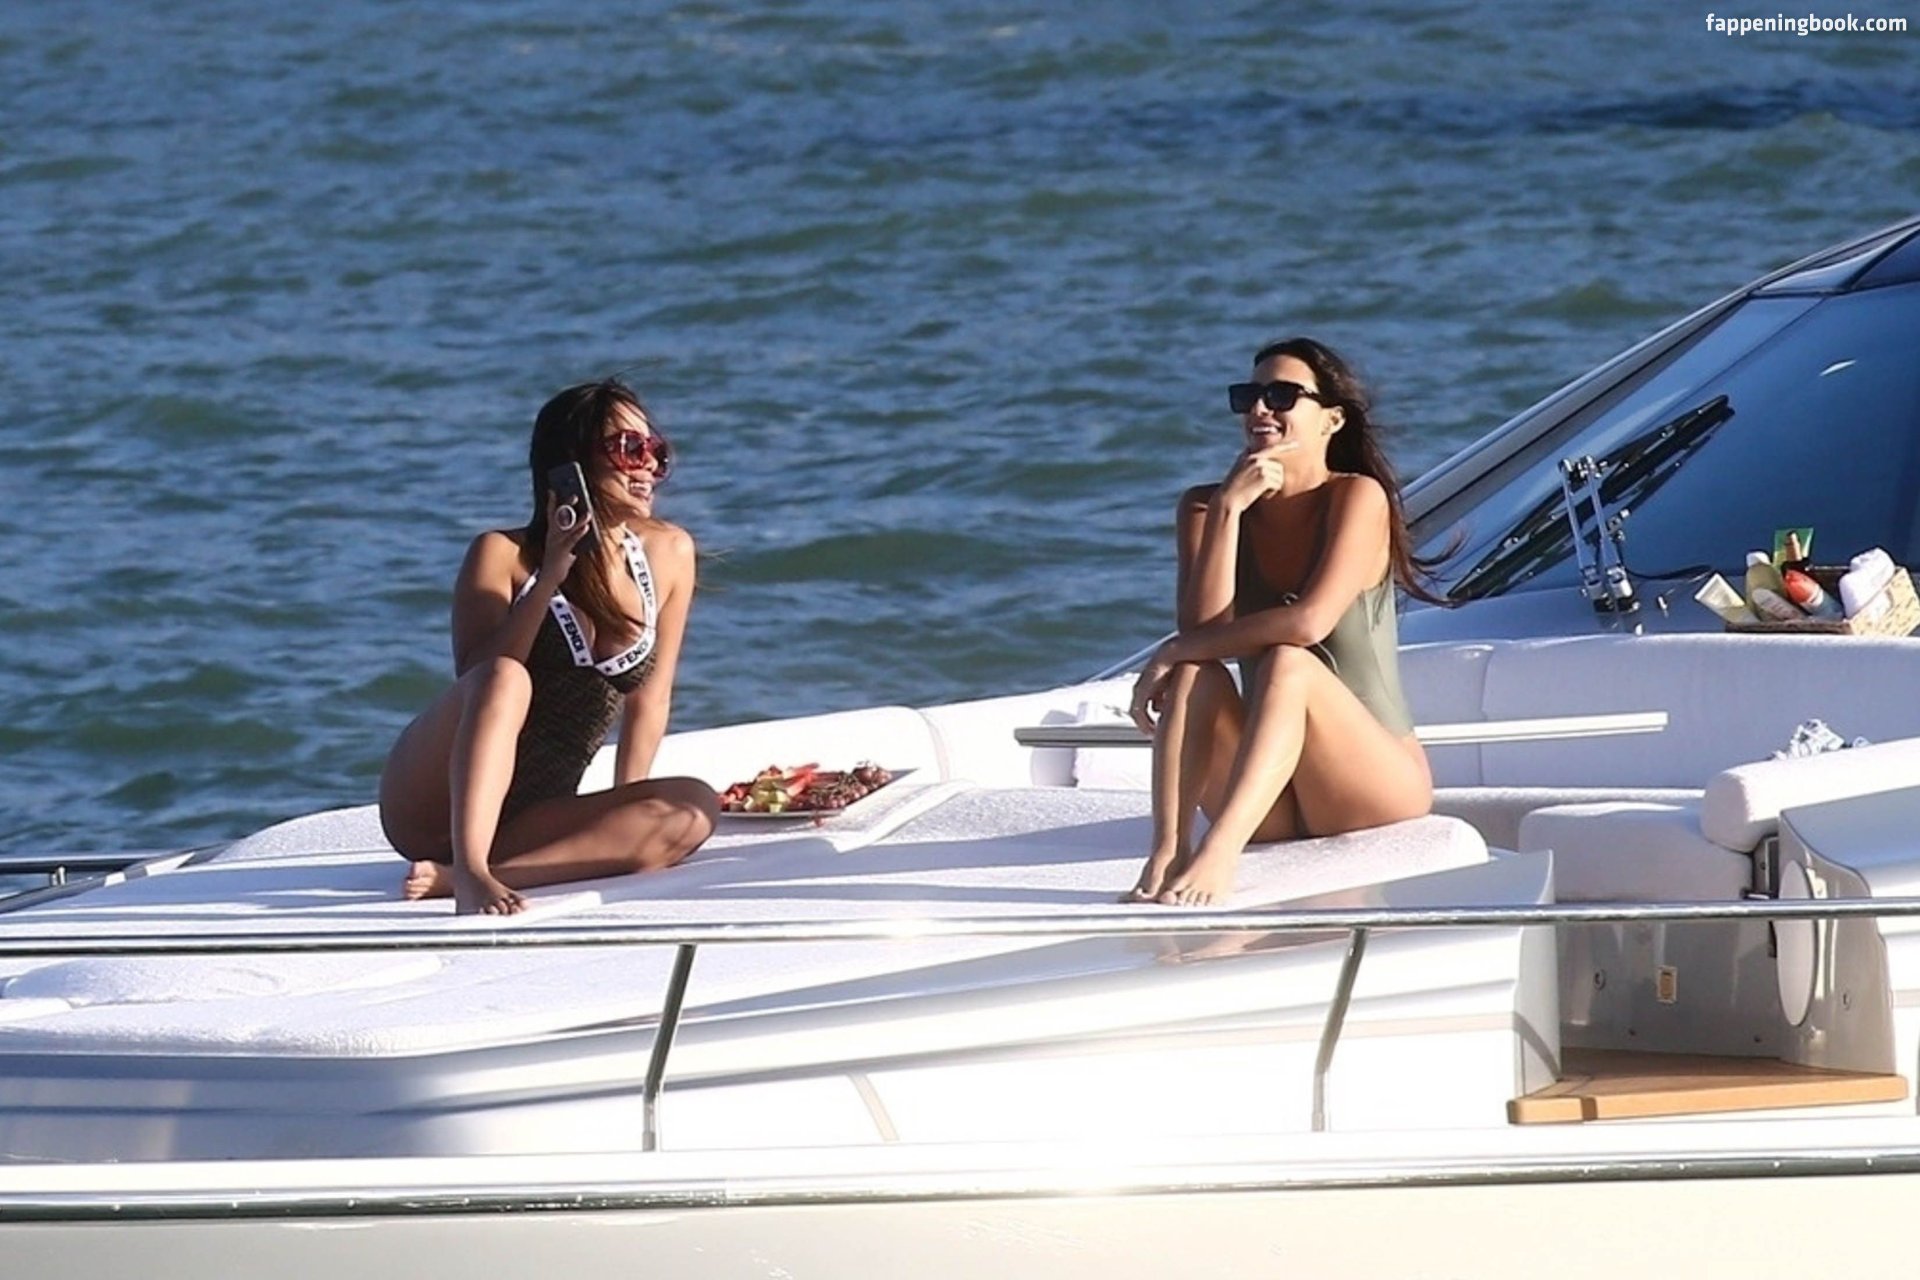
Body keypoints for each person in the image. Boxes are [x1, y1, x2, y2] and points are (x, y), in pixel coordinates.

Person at [379, 379, 719, 915]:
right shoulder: (500, 553)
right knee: (505, 676)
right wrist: (552, 575)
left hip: (534, 813)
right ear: (572, 463)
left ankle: (460, 878)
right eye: (629, 449)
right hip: (433, 804)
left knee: (693, 807)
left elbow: (650, 700)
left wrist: (626, 808)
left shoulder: (669, 551)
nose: (650, 466)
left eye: (657, 450)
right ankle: (470, 871)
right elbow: (478, 676)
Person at [1124, 338, 1437, 907]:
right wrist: (1228, 510)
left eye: (1283, 395)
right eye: (1248, 397)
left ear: (1331, 420)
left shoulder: (1357, 497)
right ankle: (1169, 851)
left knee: (1289, 663)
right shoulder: (1205, 506)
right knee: (1196, 672)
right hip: (1271, 793)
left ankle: (1221, 851)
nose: (1260, 409)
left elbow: (1309, 622)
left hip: (1371, 787)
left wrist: (1169, 649)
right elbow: (1202, 635)